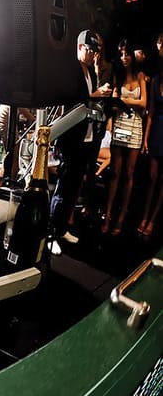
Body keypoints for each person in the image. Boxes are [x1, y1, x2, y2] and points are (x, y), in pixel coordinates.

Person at [50, 29, 112, 245]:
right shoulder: (71, 69)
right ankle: (52, 232)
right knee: (63, 185)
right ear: (80, 47)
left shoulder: (91, 72)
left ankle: (61, 228)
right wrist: (95, 95)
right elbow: (70, 100)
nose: (93, 54)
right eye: (90, 50)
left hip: (86, 136)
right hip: (70, 136)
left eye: (95, 51)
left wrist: (99, 97)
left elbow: (89, 102)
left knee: (74, 185)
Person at [102, 40, 147, 235]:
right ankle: (108, 214)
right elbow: (113, 104)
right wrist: (121, 102)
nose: (123, 57)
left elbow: (144, 103)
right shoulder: (118, 76)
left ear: (132, 55)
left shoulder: (140, 75)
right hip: (120, 125)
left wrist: (123, 100)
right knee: (115, 172)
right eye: (121, 54)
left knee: (129, 173)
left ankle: (121, 218)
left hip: (135, 127)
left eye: (126, 53)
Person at [140, 34, 163, 237]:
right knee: (152, 178)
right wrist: (146, 138)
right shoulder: (156, 80)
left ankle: (153, 220)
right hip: (157, 130)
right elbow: (151, 112)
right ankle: (144, 217)